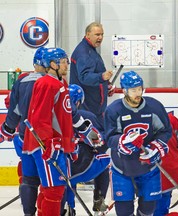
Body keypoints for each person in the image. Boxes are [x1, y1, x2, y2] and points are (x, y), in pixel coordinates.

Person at [104, 71, 172, 216]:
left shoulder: (154, 107)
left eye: (140, 88)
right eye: (133, 90)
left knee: (148, 210)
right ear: (124, 90)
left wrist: (155, 147)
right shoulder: (114, 110)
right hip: (121, 168)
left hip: (149, 168)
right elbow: (109, 138)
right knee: (123, 211)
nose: (138, 93)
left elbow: (165, 131)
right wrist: (123, 141)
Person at [22, 47, 75, 216]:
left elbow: (64, 116)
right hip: (47, 146)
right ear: (53, 64)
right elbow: (39, 118)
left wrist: (69, 144)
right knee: (54, 190)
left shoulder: (61, 83)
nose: (67, 64)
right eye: (63, 61)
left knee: (52, 189)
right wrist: (48, 142)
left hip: (58, 145)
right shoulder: (46, 83)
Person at [69, 21, 114, 211]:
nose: (100, 37)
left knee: (98, 152)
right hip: (88, 113)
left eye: (102, 34)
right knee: (99, 152)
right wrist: (102, 78)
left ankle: (95, 198)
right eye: (97, 34)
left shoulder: (90, 51)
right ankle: (92, 198)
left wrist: (105, 87)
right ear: (87, 34)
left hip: (94, 109)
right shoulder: (83, 52)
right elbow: (86, 76)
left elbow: (89, 79)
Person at [0, 47, 47, 216]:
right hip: (46, 141)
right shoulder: (54, 81)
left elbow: (14, 110)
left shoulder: (22, 79)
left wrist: (7, 130)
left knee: (28, 178)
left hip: (24, 137)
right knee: (50, 182)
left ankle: (28, 212)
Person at [61, 84, 111, 216]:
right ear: (78, 102)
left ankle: (68, 208)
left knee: (67, 180)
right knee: (105, 160)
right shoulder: (86, 116)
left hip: (58, 170)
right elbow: (101, 142)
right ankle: (99, 200)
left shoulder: (52, 117)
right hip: (83, 169)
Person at [154, 111, 178, 216]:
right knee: (163, 200)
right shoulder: (171, 119)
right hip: (170, 168)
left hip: (145, 169)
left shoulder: (136, 119)